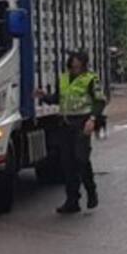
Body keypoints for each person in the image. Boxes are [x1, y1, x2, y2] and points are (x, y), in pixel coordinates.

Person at [37, 50, 106, 214]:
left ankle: (91, 192)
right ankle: (72, 200)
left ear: (83, 64)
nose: (75, 66)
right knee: (67, 163)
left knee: (81, 159)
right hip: (66, 123)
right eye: (73, 63)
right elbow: (58, 98)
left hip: (83, 123)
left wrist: (93, 119)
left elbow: (99, 101)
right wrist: (44, 96)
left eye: (78, 63)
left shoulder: (91, 79)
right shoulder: (64, 78)